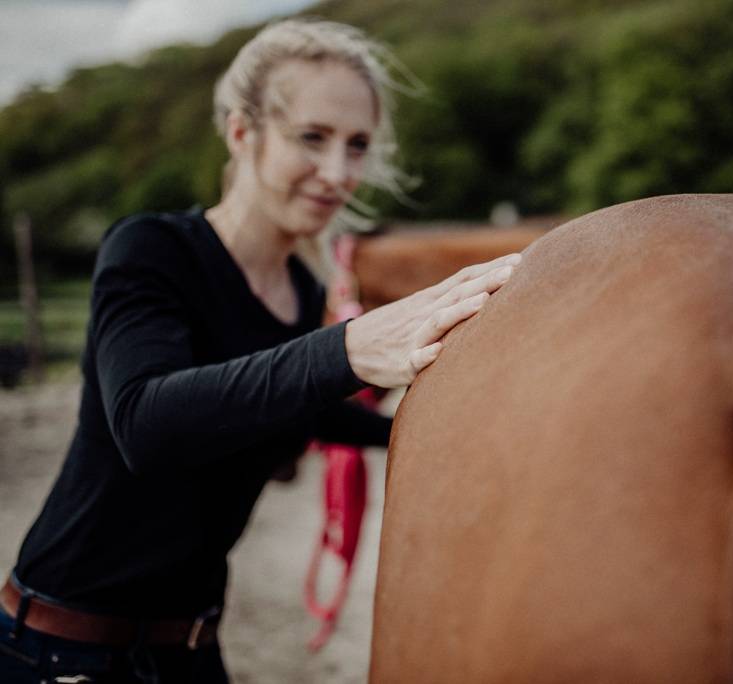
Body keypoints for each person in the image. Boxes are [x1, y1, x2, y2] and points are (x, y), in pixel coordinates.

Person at [0, 18, 518, 683]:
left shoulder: (300, 290)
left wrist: (433, 419)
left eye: (356, 145)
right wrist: (350, 349)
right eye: (312, 137)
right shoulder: (151, 250)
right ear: (242, 132)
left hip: (189, 650)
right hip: (62, 650)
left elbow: (292, 408)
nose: (339, 172)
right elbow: (144, 421)